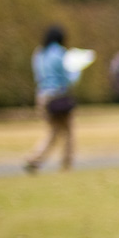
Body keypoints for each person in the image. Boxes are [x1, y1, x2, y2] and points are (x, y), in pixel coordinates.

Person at [25, 25, 80, 173]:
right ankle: (67, 164)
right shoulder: (59, 53)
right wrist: (77, 70)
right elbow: (68, 78)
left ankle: (35, 159)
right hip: (58, 96)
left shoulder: (38, 53)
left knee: (53, 131)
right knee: (68, 131)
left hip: (42, 96)